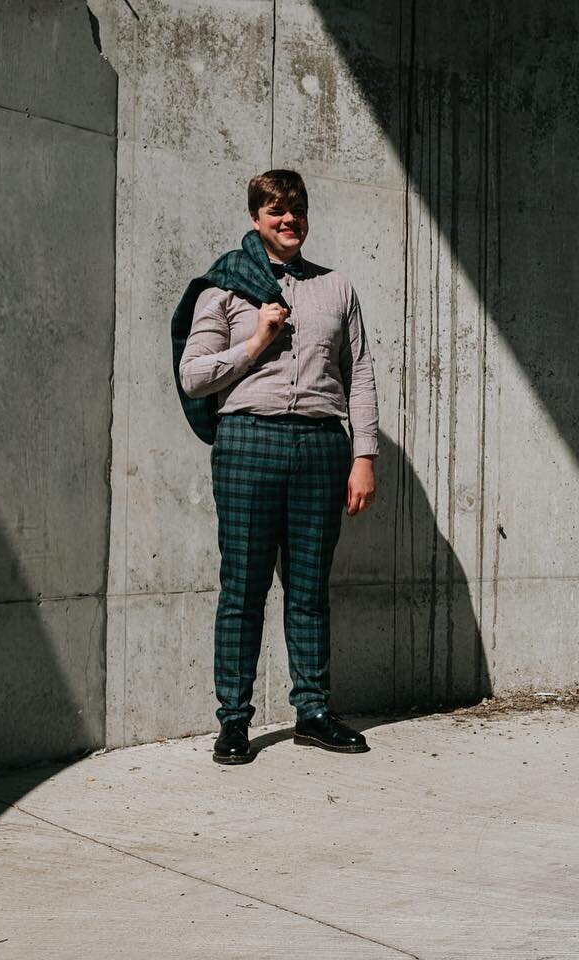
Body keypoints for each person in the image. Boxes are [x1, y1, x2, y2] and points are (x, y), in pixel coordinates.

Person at [172, 169, 380, 765]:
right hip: (248, 443)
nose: (288, 220)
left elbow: (358, 371)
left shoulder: (336, 286)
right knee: (243, 588)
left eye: (296, 210)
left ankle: (313, 711)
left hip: (320, 447)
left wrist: (363, 455)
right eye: (275, 211)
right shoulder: (225, 288)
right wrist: (256, 342)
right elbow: (193, 374)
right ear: (256, 219)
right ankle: (234, 722)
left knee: (310, 589)